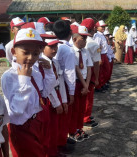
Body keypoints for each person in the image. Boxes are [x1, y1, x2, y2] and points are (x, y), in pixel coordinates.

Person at [1, 28, 56, 157]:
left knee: (42, 151)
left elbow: (45, 92)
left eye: (36, 54)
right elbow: (16, 110)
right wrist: (24, 79)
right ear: (14, 52)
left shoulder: (35, 71)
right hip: (22, 126)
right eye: (26, 52)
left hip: (38, 120)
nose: (31, 58)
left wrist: (48, 72)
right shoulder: (9, 76)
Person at [41, 38, 68, 157]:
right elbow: (48, 86)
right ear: (43, 48)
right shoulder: (42, 63)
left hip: (58, 94)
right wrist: (56, 103)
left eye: (56, 47)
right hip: (49, 97)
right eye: (51, 47)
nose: (54, 50)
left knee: (56, 126)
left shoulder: (55, 62)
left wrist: (64, 100)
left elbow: (60, 82)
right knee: (49, 129)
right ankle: (50, 153)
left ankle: (55, 150)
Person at [52, 20, 76, 153]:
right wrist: (71, 92)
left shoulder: (57, 46)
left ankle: (61, 139)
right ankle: (60, 142)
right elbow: (70, 72)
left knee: (58, 117)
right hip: (64, 85)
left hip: (58, 84)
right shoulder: (67, 49)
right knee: (64, 116)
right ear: (70, 33)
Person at [69, 25, 93, 142]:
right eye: (83, 38)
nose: (86, 41)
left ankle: (79, 127)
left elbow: (89, 68)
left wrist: (87, 85)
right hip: (76, 83)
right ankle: (72, 130)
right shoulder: (71, 51)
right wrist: (84, 85)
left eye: (86, 38)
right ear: (74, 39)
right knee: (74, 108)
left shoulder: (86, 51)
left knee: (81, 108)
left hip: (84, 84)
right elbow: (77, 69)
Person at [81, 18, 100, 127]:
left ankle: (83, 115)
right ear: (93, 29)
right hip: (89, 71)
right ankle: (85, 117)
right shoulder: (93, 43)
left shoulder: (74, 39)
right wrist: (97, 78)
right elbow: (96, 63)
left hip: (79, 72)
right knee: (88, 97)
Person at [93, 20, 109, 91]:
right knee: (100, 72)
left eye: (104, 27)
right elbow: (97, 48)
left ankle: (103, 83)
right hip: (101, 55)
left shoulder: (102, 35)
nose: (103, 28)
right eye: (101, 27)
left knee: (105, 70)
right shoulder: (97, 36)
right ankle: (99, 86)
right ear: (97, 28)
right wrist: (99, 57)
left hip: (104, 54)